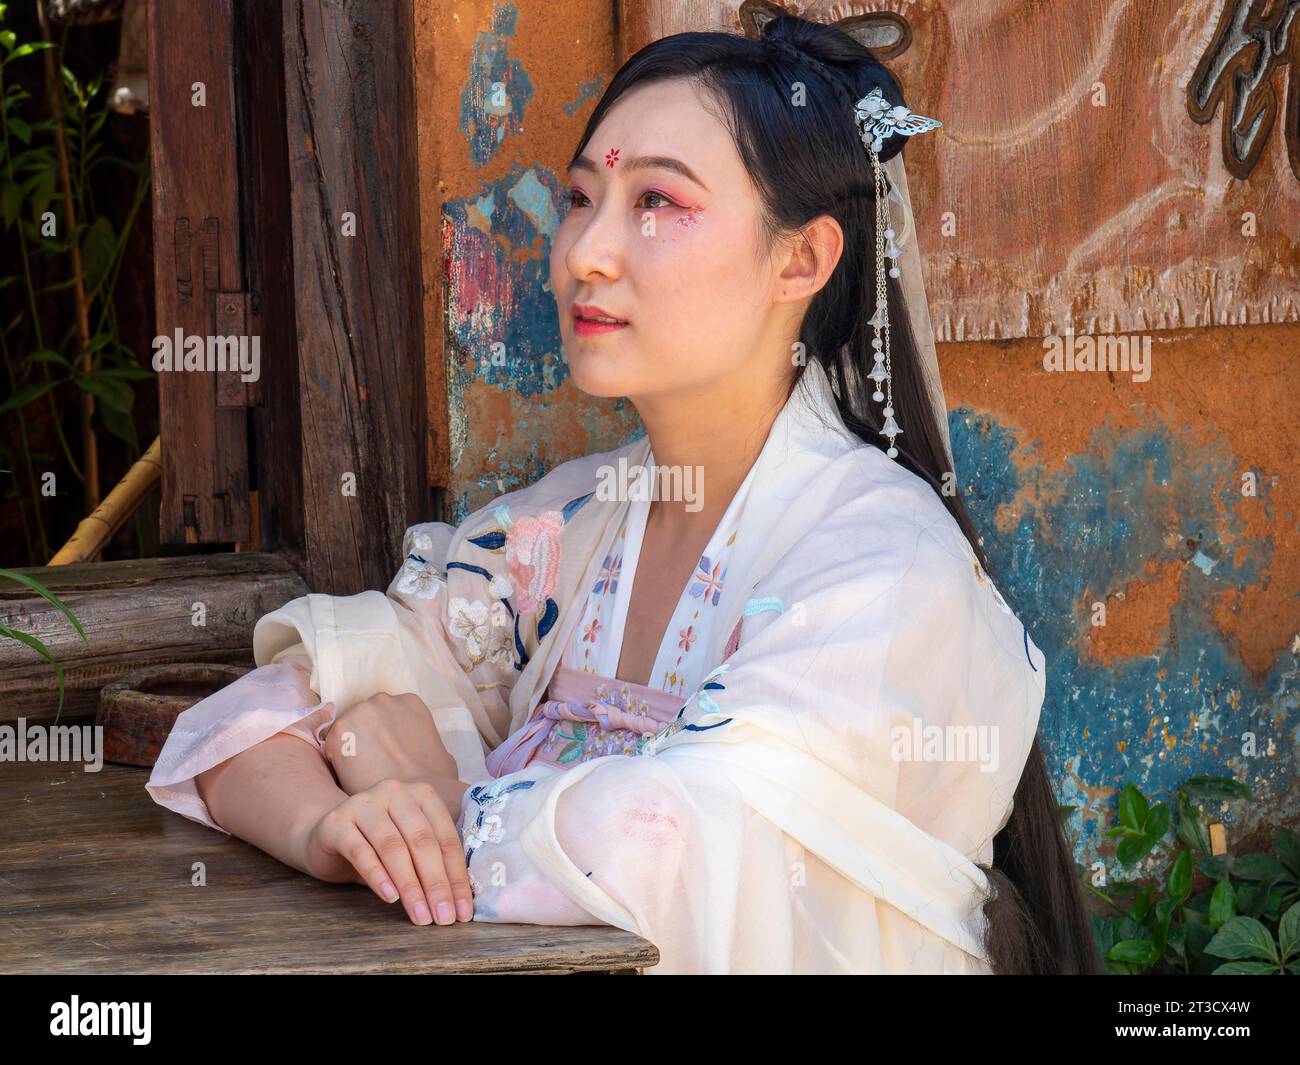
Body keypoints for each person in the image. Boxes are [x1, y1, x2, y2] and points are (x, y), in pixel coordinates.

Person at [146, 13, 1100, 974]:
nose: (585, 253)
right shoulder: (565, 529)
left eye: (657, 202)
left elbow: (663, 849)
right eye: (580, 197)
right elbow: (245, 725)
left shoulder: (887, 566)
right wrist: (334, 825)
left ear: (801, 260)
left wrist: (437, 791)